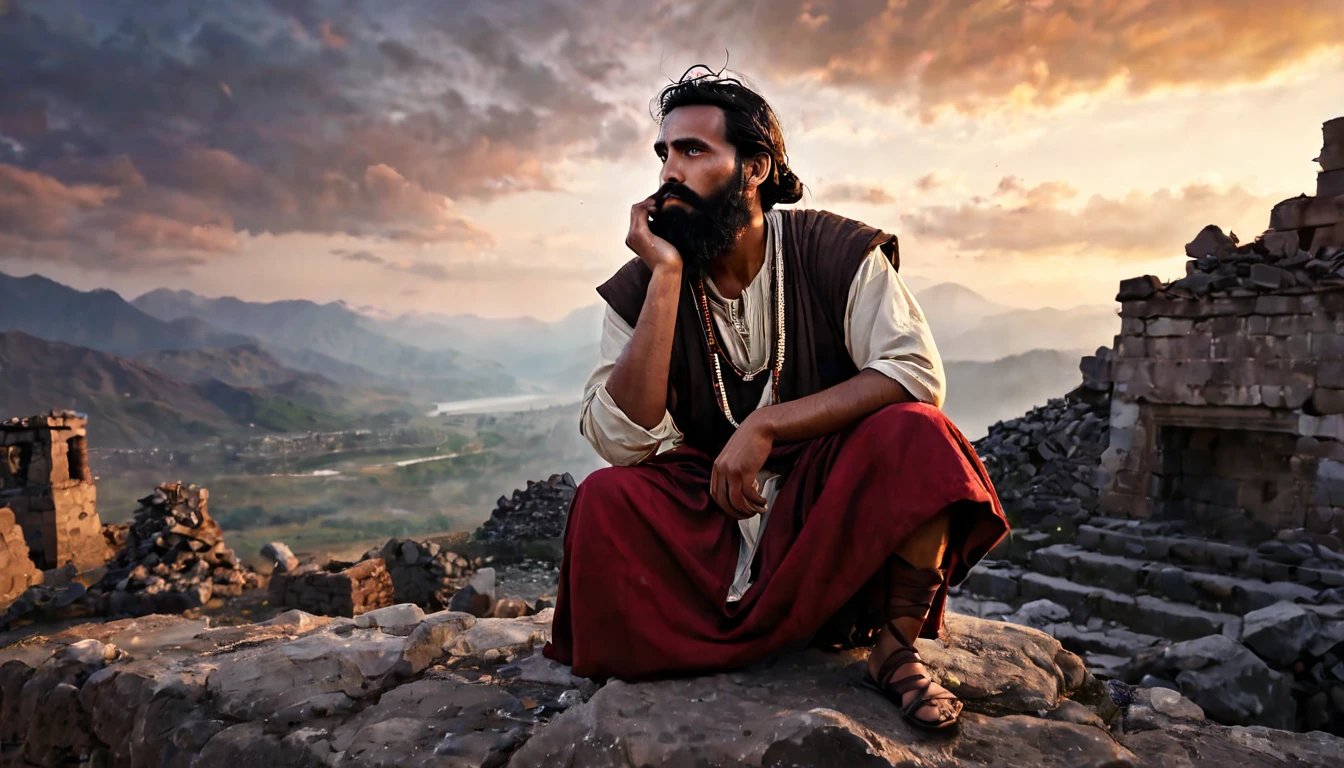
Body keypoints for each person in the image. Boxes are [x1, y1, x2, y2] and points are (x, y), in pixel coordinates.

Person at [543, 68, 1008, 732]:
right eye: (664, 153)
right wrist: (667, 275)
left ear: (754, 166)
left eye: (693, 151)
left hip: (825, 500)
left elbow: (914, 371)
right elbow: (623, 441)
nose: (669, 170)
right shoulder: (642, 283)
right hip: (713, 510)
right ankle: (739, 635)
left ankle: (893, 650)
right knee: (604, 499)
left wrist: (766, 425)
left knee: (919, 437)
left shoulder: (835, 251)